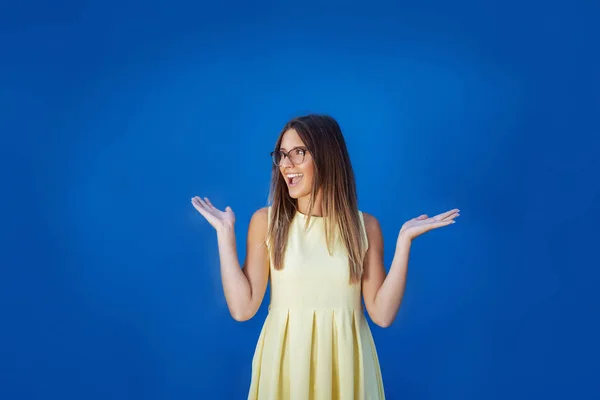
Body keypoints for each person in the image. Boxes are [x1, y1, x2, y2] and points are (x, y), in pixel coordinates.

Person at [191, 114, 459, 399]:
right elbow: (242, 309)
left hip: (347, 370)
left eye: (298, 153)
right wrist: (224, 234)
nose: (285, 165)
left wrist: (404, 242)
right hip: (285, 368)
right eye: (282, 155)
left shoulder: (364, 227)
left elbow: (382, 314)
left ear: (327, 156)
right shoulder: (266, 222)